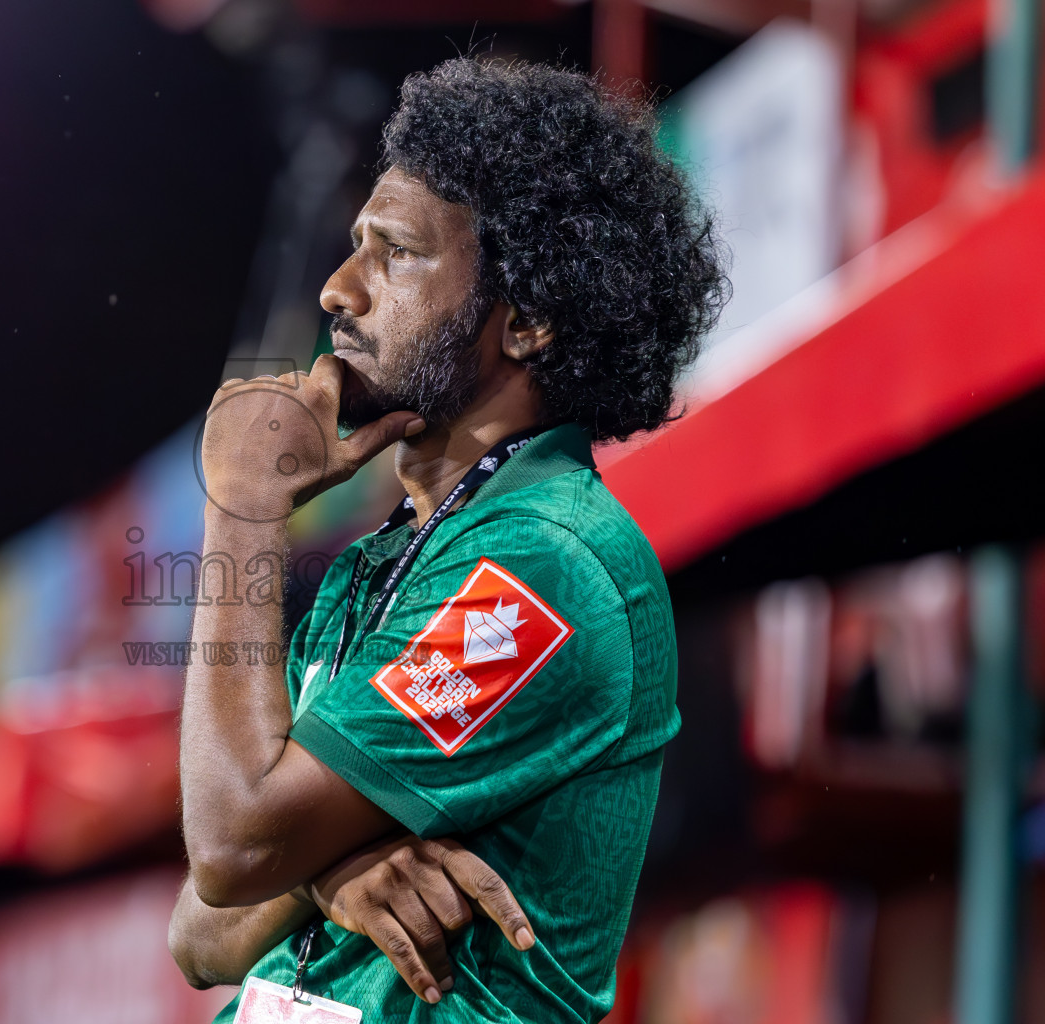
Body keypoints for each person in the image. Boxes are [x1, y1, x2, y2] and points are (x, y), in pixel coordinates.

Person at [170, 56, 725, 1022]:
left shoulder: (545, 565)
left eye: (397, 252)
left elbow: (232, 848)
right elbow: (197, 930)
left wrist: (244, 514)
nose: (339, 289)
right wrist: (326, 874)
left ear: (530, 322)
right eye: (354, 245)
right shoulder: (380, 564)